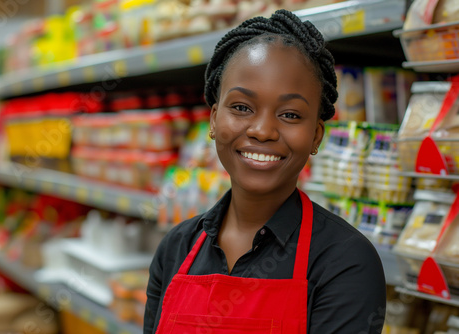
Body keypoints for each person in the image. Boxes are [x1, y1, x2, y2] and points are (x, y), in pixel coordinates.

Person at [144, 9, 386, 334]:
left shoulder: (345, 262)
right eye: (242, 108)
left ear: (316, 136)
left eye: (289, 114)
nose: (262, 130)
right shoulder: (176, 248)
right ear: (214, 120)